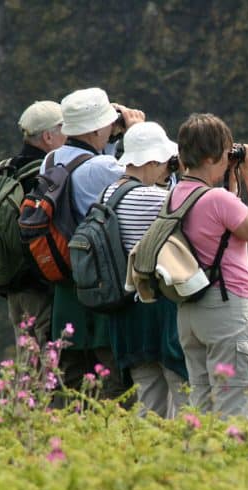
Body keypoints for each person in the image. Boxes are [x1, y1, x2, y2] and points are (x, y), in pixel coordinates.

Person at [42, 87, 145, 397]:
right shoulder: (102, 168)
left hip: (68, 280)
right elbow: (145, 182)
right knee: (113, 377)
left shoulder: (51, 159)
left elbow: (94, 168)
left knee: (72, 380)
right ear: (99, 127)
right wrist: (139, 135)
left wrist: (112, 140)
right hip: (101, 283)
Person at [171, 113, 248, 419]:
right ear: (212, 156)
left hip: (190, 311)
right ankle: (230, 467)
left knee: (200, 407)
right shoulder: (217, 200)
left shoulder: (175, 194)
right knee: (233, 411)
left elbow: (218, 223)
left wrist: (231, 183)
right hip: (227, 310)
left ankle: (195, 465)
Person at [102, 122, 188, 418]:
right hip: (158, 308)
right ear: (151, 161)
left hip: (126, 312)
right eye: (166, 163)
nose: (168, 170)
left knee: (147, 397)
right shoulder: (157, 199)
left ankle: (144, 458)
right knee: (182, 391)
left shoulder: (108, 194)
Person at [2, 100, 67, 343]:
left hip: (12, 284)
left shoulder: (7, 169)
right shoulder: (46, 176)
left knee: (25, 365)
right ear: (49, 137)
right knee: (47, 364)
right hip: (40, 288)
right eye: (65, 128)